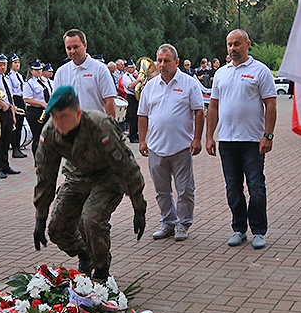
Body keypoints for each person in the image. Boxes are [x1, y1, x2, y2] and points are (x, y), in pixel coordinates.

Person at [32, 86, 147, 281]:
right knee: (57, 229)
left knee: (91, 219)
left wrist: (139, 206)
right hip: (77, 177)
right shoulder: (50, 132)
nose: (58, 122)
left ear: (77, 113)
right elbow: (45, 176)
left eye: (64, 116)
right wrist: (40, 217)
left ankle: (101, 270)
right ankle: (84, 254)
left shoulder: (99, 125)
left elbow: (126, 166)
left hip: (107, 177)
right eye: (54, 117)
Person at [206, 30, 277, 250]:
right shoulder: (221, 73)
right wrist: (209, 136)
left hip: (252, 141)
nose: (232, 48)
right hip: (227, 140)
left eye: (237, 44)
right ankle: (239, 229)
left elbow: (271, 104)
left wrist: (268, 134)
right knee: (233, 187)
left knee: (256, 186)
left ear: (248, 44)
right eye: (229, 45)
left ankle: (258, 231)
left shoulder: (260, 71)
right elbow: (214, 106)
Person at [137, 44, 205, 241]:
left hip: (181, 147)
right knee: (161, 191)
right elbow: (142, 115)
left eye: (166, 61)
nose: (161, 64)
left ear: (176, 62)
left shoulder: (189, 83)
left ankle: (183, 224)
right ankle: (168, 222)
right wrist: (142, 140)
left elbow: (199, 112)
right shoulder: (150, 86)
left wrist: (197, 138)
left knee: (185, 190)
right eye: (159, 60)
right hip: (156, 148)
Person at [53, 29, 117, 117]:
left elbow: (109, 101)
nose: (72, 51)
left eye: (76, 47)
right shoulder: (61, 72)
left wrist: (110, 128)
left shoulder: (100, 69)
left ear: (85, 45)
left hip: (96, 126)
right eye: (69, 48)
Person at [23, 59, 50, 158]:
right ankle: (37, 159)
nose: (39, 71)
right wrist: (42, 104)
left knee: (47, 136)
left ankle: (46, 157)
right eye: (36, 69)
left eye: (40, 69)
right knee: (37, 137)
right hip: (35, 111)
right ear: (31, 71)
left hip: (46, 110)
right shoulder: (29, 83)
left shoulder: (44, 81)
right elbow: (26, 99)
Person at [7, 54, 28, 159]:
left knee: (20, 125)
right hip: (15, 99)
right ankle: (14, 148)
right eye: (15, 62)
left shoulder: (19, 76)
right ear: (11, 64)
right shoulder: (9, 77)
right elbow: (11, 91)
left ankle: (18, 147)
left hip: (21, 100)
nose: (17, 64)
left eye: (18, 62)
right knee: (15, 124)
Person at [121, 60, 140, 143]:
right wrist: (138, 80)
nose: (133, 69)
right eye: (131, 67)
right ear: (127, 68)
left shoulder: (132, 76)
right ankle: (132, 136)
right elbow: (130, 86)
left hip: (135, 97)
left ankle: (136, 135)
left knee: (136, 118)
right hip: (130, 97)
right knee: (132, 118)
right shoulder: (126, 76)